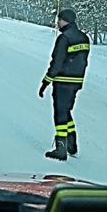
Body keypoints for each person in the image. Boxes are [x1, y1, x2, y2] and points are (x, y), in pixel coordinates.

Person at [38, 8, 90, 160]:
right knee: (66, 110)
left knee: (60, 113)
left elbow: (57, 62)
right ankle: (71, 145)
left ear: (64, 20)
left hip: (62, 81)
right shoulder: (84, 38)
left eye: (59, 20)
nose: (57, 23)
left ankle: (61, 149)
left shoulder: (64, 38)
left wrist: (46, 81)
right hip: (76, 82)